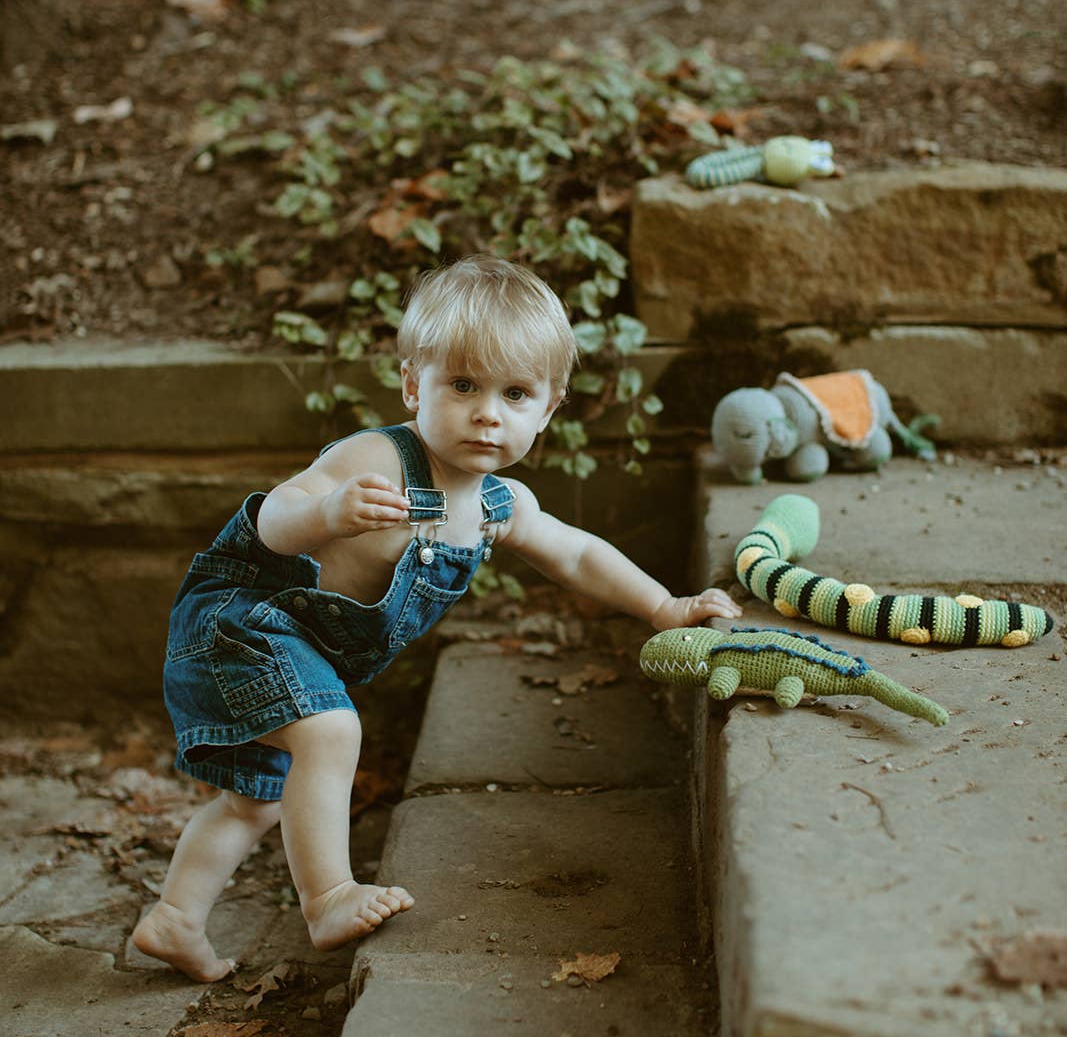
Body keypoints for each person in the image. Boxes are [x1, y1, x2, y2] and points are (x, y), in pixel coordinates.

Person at [132, 255, 742, 981]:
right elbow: (272, 521)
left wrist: (664, 606)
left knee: (253, 802)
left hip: (294, 650)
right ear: (411, 384)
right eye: (462, 385)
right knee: (331, 731)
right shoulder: (377, 459)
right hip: (240, 622)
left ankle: (174, 920)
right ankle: (327, 895)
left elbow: (577, 557)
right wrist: (328, 512)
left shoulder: (497, 505)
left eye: (515, 394)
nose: (487, 412)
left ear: (548, 410)